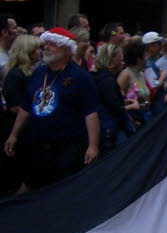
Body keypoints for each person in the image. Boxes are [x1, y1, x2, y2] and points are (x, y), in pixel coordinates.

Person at [3, 27, 99, 188]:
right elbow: (26, 107)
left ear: (67, 49)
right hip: (38, 147)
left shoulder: (81, 77)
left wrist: (93, 145)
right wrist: (14, 134)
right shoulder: (38, 74)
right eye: (46, 44)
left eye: (52, 44)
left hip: (67, 147)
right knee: (37, 186)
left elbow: (90, 113)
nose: (46, 48)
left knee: (62, 189)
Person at [1, 34, 41, 194]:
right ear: (28, 51)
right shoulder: (15, 75)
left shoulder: (33, 72)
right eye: (37, 49)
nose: (40, 52)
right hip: (18, 128)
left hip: (30, 128)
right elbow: (14, 107)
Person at [91, 43, 134, 152]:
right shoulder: (107, 81)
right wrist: (131, 106)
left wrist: (122, 102)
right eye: (120, 57)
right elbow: (114, 108)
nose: (122, 60)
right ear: (112, 58)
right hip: (110, 129)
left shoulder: (98, 77)